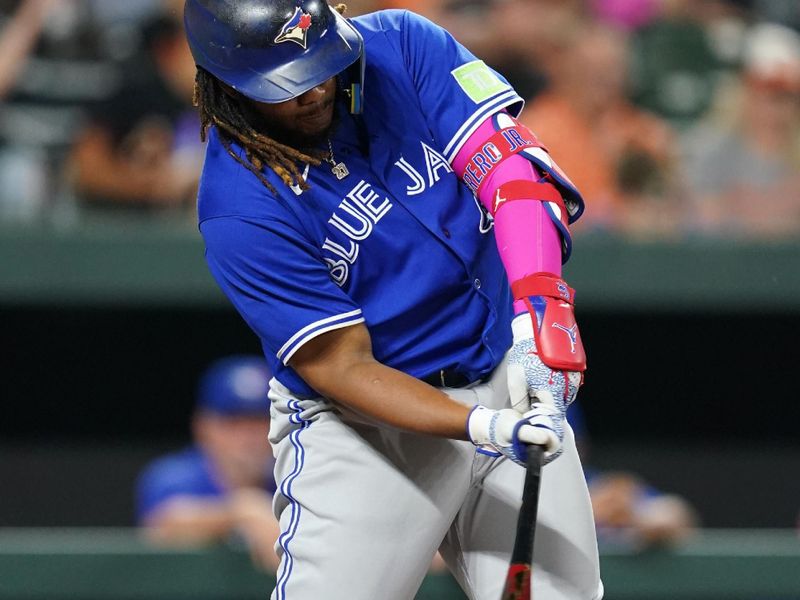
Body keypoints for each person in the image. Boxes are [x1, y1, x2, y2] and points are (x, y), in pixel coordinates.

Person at [185, 2, 602, 599]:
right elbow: (343, 367)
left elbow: (514, 174)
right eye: (289, 82)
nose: (315, 89)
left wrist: (541, 313)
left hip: (502, 366)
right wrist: (481, 425)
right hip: (369, 431)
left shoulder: (402, 46)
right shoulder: (238, 206)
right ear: (226, 84)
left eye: (320, 62)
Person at [136, 355, 280, 571]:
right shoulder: (175, 475)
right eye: (234, 422)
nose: (248, 437)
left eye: (260, 420)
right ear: (203, 426)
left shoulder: (292, 478)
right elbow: (162, 525)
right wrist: (242, 511)